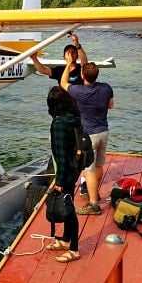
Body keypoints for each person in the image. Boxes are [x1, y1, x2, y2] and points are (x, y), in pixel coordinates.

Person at [61, 54, 114, 216]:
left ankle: (94, 204)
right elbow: (111, 105)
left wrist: (69, 64)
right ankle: (95, 193)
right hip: (104, 132)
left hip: (89, 135)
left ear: (83, 75)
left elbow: (63, 83)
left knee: (88, 171)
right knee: (98, 166)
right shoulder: (106, 88)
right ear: (97, 75)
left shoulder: (80, 92)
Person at [45, 86, 82, 263]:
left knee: (69, 210)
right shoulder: (74, 118)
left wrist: (58, 180)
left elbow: (60, 154)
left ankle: (74, 249)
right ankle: (67, 240)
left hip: (65, 171)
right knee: (69, 204)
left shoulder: (59, 124)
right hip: (74, 168)